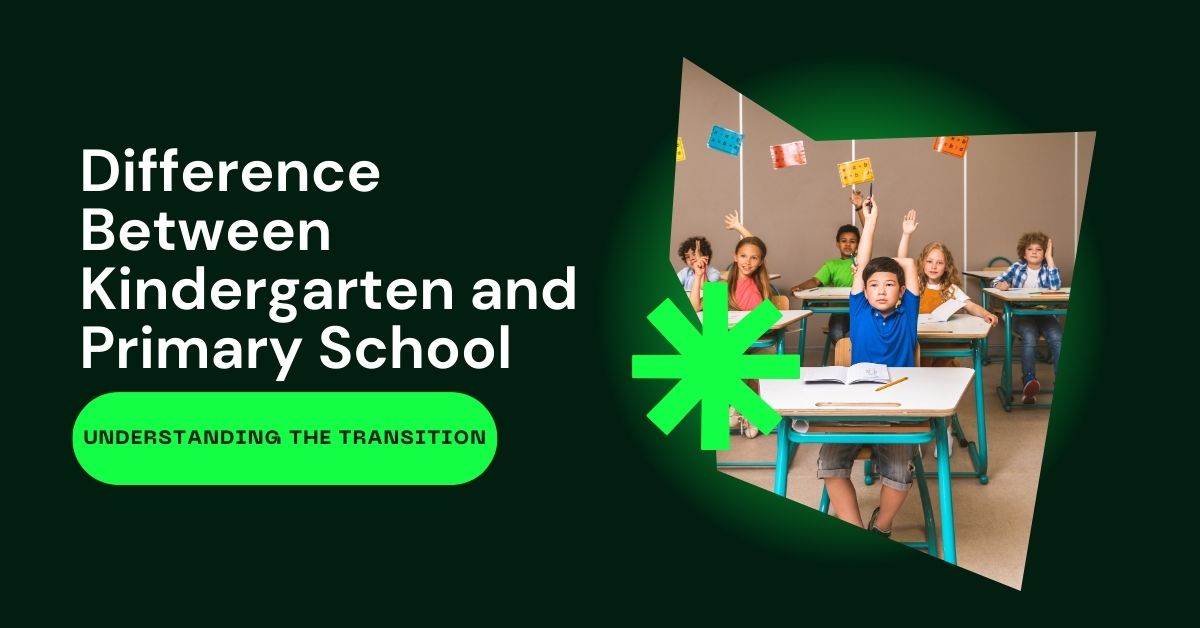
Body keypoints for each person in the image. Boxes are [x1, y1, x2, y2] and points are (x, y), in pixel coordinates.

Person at [814, 196, 921, 537]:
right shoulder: (859, 311)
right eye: (873, 284)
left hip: (898, 408)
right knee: (829, 462)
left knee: (900, 473)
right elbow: (862, 266)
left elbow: (909, 270)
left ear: (902, 292)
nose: (881, 290)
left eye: (890, 284)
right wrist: (869, 221)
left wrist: (904, 242)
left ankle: (882, 528)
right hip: (857, 404)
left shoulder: (908, 314)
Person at [990, 232, 1062, 404]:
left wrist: (1050, 259)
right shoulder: (1017, 267)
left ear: (1045, 253)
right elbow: (995, 281)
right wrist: (1001, 285)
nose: (1035, 252)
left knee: (1057, 338)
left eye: (1039, 249)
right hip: (1021, 315)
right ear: (1024, 253)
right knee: (1029, 338)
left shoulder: (1047, 268)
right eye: (1030, 249)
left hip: (1044, 315)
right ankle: (1029, 380)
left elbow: (1056, 287)